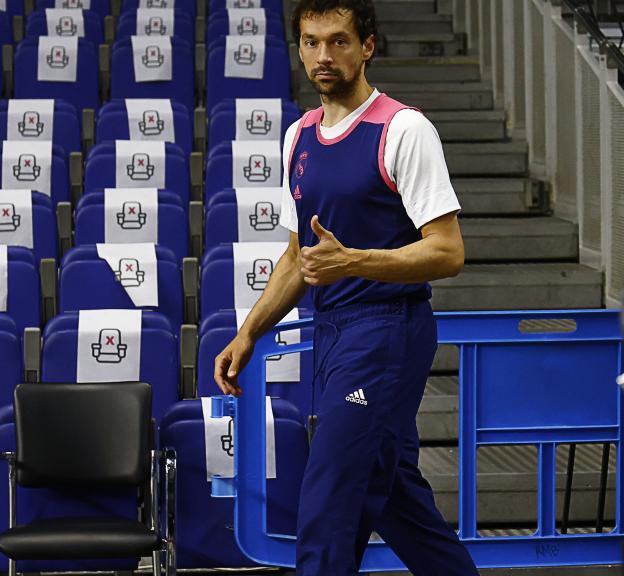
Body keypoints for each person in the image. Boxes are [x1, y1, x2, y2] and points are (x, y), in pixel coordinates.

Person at [214, 1, 479, 573]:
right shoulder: (299, 136)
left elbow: (447, 251)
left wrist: (353, 261)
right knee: (392, 493)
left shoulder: (403, 129)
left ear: (368, 47)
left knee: (331, 495)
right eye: (311, 42)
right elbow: (297, 259)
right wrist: (249, 333)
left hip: (388, 330)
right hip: (334, 332)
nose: (323, 56)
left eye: (338, 41)